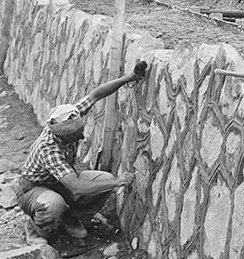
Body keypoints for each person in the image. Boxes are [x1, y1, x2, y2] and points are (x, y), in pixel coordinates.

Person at [16, 59, 148, 243]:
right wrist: (118, 182)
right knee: (54, 204)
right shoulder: (49, 149)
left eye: (81, 131)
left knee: (104, 180)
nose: (83, 137)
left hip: (59, 184)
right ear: (63, 137)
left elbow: (96, 94)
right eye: (77, 135)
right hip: (33, 190)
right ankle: (36, 228)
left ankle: (72, 217)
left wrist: (130, 77)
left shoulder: (68, 115)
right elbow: (76, 187)